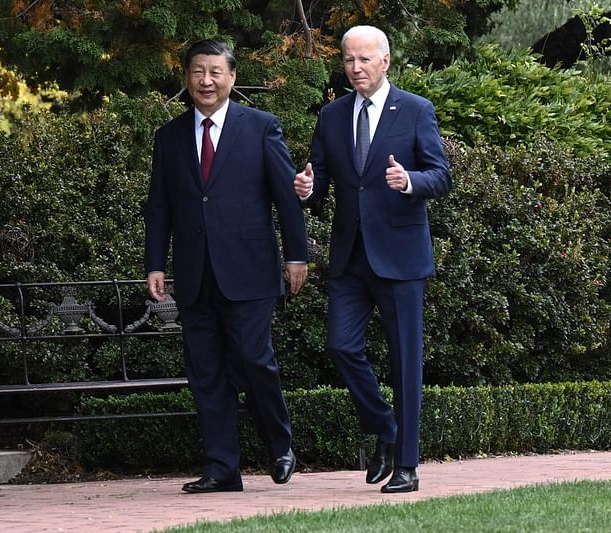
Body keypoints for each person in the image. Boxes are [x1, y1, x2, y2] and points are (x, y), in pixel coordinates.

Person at [145, 39, 309, 493]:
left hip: (251, 270)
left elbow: (286, 197)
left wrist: (297, 255)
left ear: (232, 78)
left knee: (255, 359)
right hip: (196, 275)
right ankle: (222, 469)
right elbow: (159, 207)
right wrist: (155, 263)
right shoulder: (170, 136)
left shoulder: (261, 127)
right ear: (187, 78)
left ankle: (279, 443)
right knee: (206, 372)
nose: (206, 81)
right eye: (198, 72)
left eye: (215, 72)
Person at [294, 25, 451, 493]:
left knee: (406, 361)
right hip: (350, 257)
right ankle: (386, 426)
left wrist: (409, 183)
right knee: (340, 346)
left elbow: (440, 175)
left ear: (385, 61)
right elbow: (319, 175)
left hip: (400, 255)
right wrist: (308, 188)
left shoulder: (416, 110)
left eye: (364, 60)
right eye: (348, 60)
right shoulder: (331, 116)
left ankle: (407, 466)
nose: (356, 68)